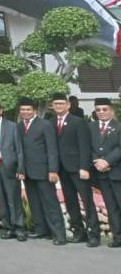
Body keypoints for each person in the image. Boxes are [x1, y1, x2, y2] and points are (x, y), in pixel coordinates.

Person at [49, 91, 98, 246]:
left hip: (78, 169)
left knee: (87, 201)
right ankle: (79, 232)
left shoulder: (78, 121)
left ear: (68, 105)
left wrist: (84, 167)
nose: (58, 106)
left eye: (61, 103)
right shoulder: (50, 122)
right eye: (56, 104)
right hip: (62, 170)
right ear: (52, 106)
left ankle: (94, 235)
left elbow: (84, 146)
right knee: (70, 202)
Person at [17, 96, 66, 245]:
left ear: (35, 111)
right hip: (27, 172)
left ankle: (59, 234)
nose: (25, 112)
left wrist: (53, 170)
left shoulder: (44, 125)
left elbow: (52, 150)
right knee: (34, 202)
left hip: (44, 171)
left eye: (28, 110)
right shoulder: (19, 126)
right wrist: (20, 169)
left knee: (50, 202)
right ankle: (41, 229)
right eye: (23, 110)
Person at [0, 98, 25, 240]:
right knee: (1, 199)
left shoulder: (12, 126)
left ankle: (19, 228)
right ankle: (8, 227)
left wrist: (21, 169)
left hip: (9, 166)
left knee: (13, 198)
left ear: (1, 110)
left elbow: (19, 150)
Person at [89, 98, 121, 247]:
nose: (101, 112)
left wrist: (107, 162)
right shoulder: (91, 127)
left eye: (105, 109)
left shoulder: (119, 127)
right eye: (98, 110)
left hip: (117, 172)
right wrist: (97, 162)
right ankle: (118, 238)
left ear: (111, 110)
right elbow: (87, 147)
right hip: (101, 174)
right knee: (111, 206)